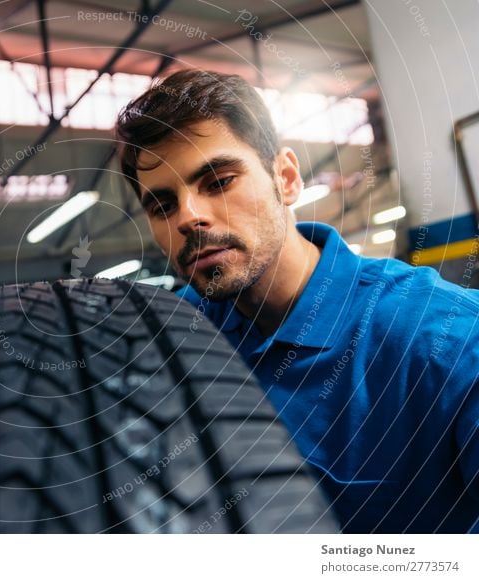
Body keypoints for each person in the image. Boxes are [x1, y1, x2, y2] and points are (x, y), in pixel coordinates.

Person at [114, 69, 479, 533]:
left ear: (285, 178)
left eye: (218, 181)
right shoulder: (166, 340)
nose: (190, 217)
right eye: (163, 206)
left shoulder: (447, 338)